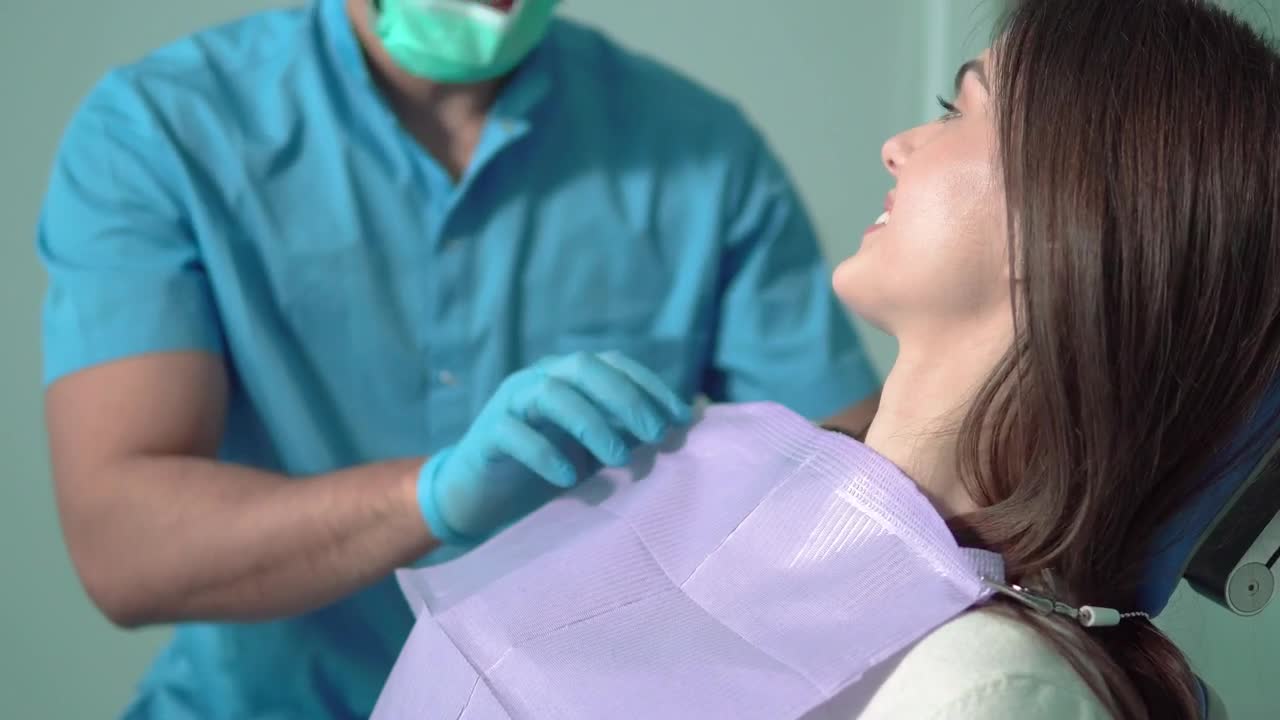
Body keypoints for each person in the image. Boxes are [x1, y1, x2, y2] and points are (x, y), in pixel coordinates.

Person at [381, 0, 1280, 717]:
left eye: (960, 112)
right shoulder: (741, 488)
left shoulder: (988, 689)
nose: (900, 146)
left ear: (1072, 226)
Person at [35, 0, 880, 717]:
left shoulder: (702, 151)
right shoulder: (159, 130)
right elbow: (123, 550)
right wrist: (430, 499)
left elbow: (847, 485)